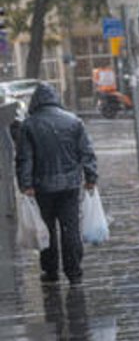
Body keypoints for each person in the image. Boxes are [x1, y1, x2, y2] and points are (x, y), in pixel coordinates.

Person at [15, 82, 98, 284]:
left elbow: (25, 158)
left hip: (41, 187)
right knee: (70, 229)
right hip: (69, 186)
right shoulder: (74, 122)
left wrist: (25, 184)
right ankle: (74, 272)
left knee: (47, 229)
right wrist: (90, 178)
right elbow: (87, 152)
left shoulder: (29, 124)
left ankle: (50, 271)